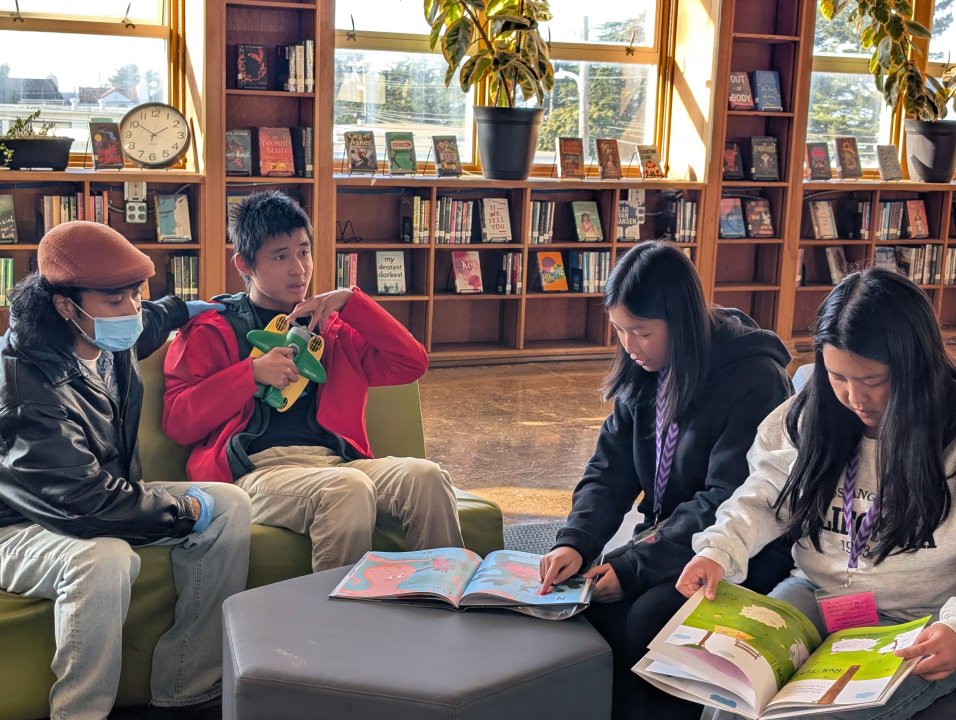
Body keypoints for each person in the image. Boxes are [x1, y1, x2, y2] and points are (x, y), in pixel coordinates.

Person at [677, 267, 956, 720]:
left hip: (921, 622)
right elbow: (765, 493)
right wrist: (718, 551)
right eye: (837, 377)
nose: (853, 396)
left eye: (872, 380)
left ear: (914, 366)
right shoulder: (810, 416)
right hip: (817, 594)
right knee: (729, 698)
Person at [0, 221, 251, 720]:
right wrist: (181, 510)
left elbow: (148, 320)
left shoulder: (106, 337)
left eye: (136, 295)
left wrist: (183, 309)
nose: (131, 311)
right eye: (116, 301)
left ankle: (188, 685)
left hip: (106, 498)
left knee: (231, 506)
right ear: (64, 306)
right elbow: (84, 503)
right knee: (104, 560)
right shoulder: (25, 385)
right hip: (21, 526)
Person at [538, 241, 795, 720]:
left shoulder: (754, 378)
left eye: (642, 332)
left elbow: (728, 498)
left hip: (740, 548)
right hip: (669, 539)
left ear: (682, 322)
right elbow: (607, 471)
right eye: (619, 330)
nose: (630, 346)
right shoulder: (644, 373)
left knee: (651, 618)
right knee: (586, 607)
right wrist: (575, 540)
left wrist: (635, 567)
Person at [162, 191, 463, 572]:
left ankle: (442, 598)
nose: (298, 269)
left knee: (428, 477)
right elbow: (177, 421)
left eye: (303, 252)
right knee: (348, 491)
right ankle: (334, 629)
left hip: (338, 464)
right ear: (245, 264)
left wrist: (352, 302)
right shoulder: (212, 326)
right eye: (280, 256)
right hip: (256, 472)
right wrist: (249, 375)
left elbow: (411, 364)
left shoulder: (331, 328)